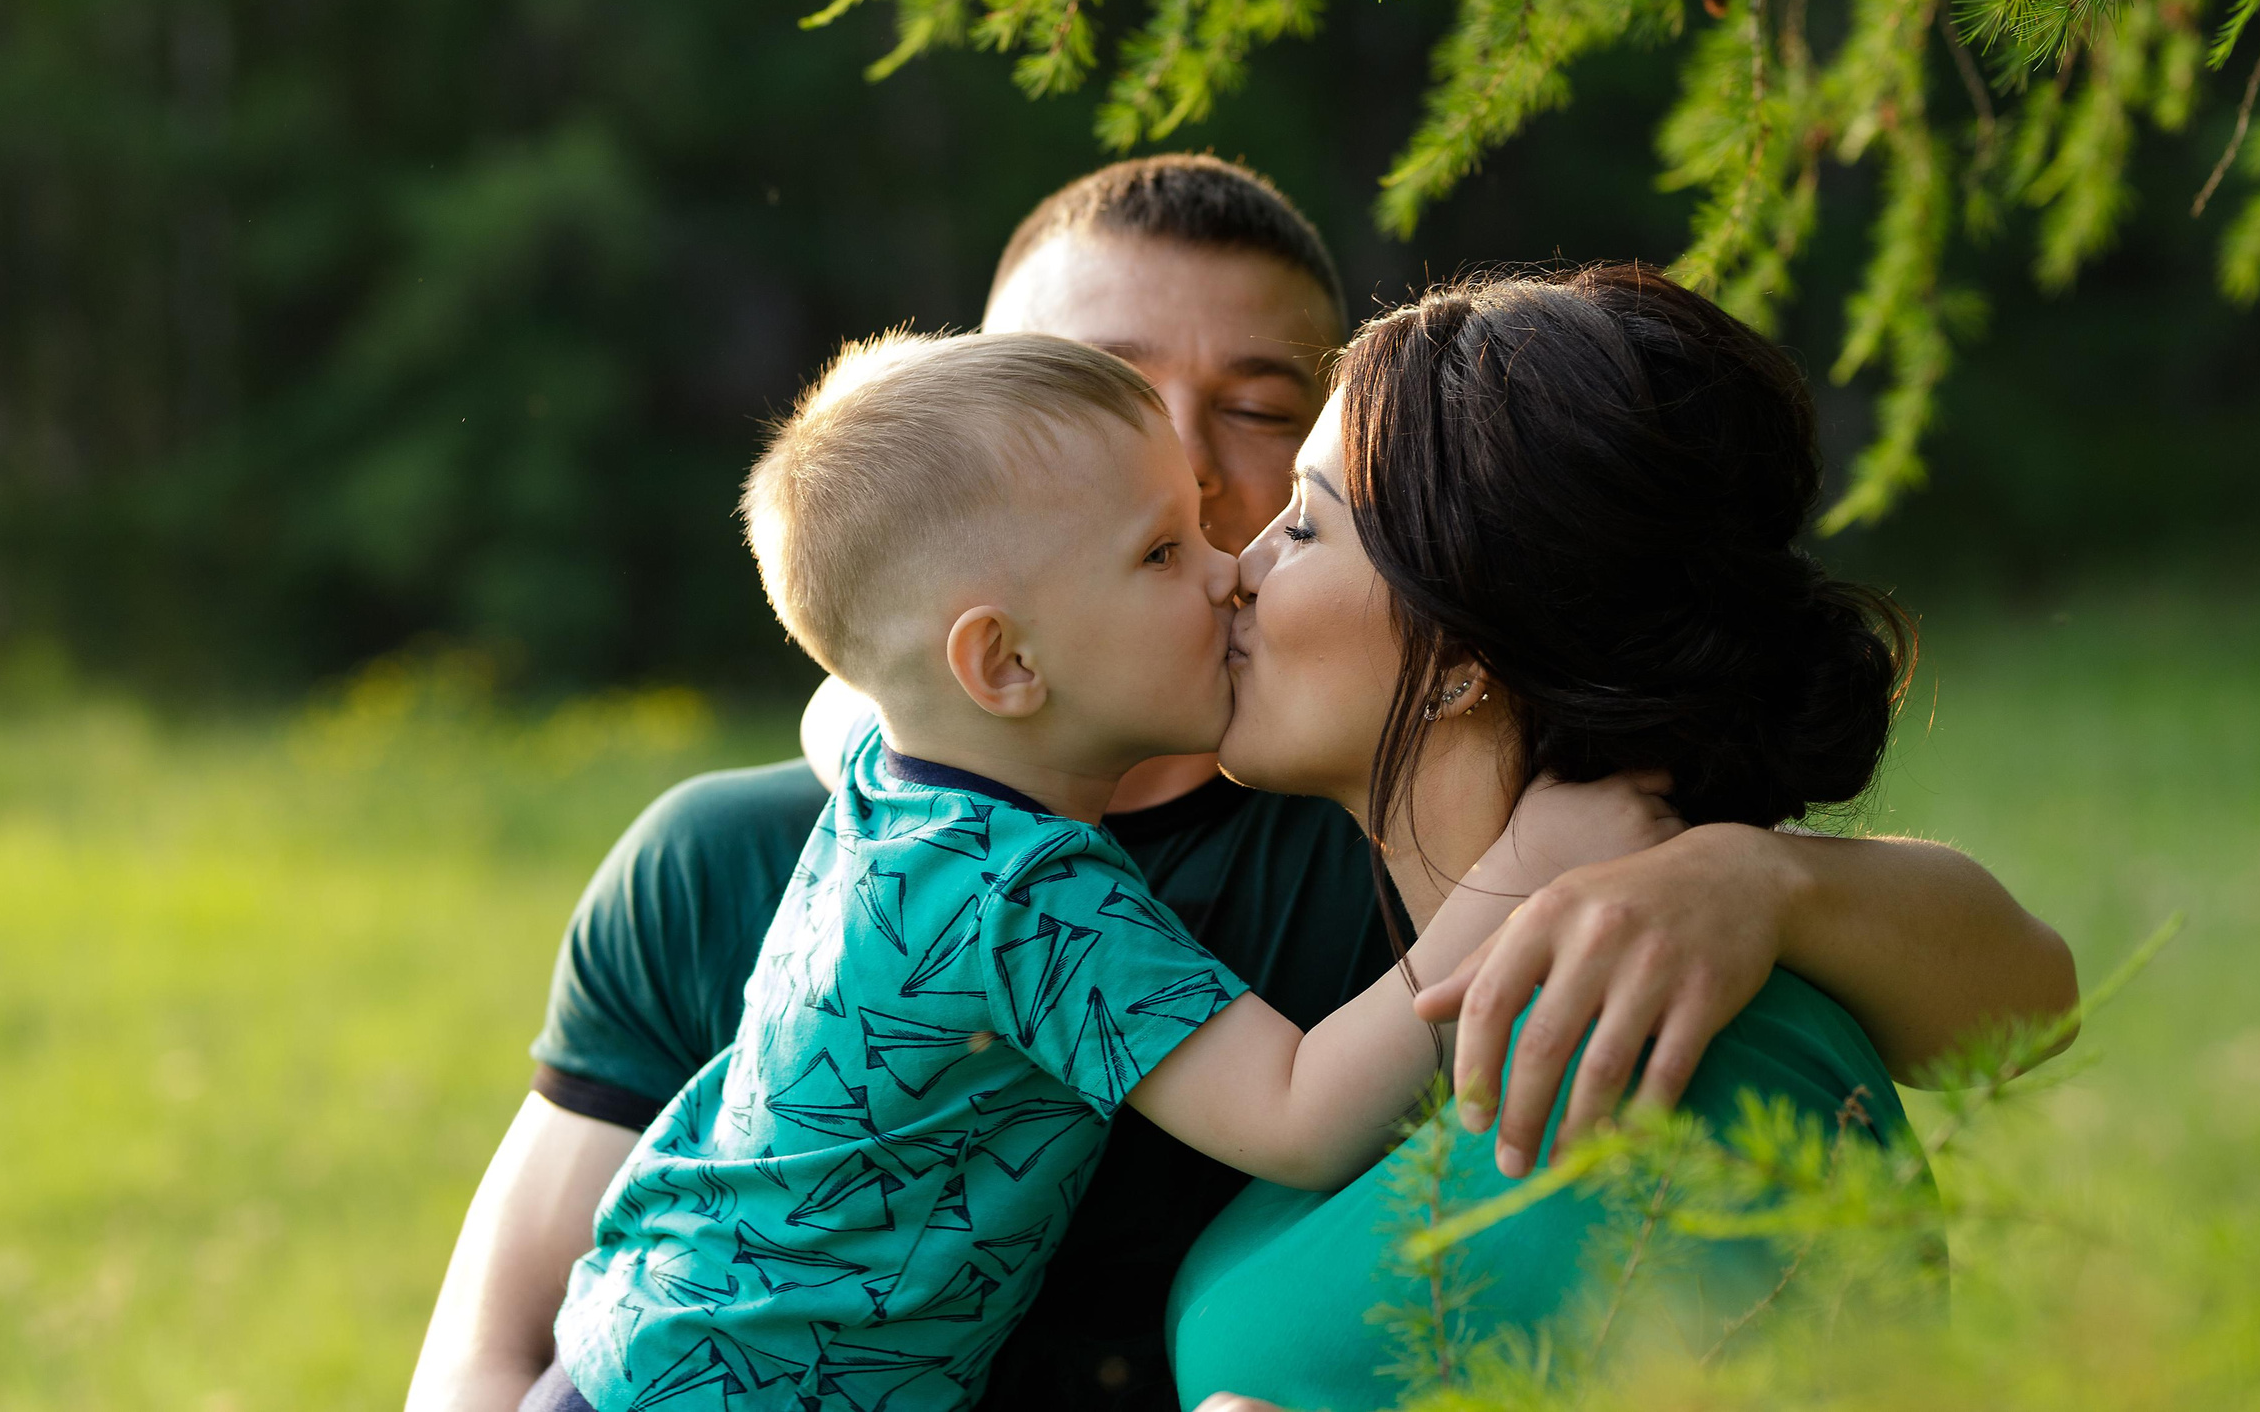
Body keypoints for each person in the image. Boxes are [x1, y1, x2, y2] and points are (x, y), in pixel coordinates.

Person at [406, 156, 2076, 1412]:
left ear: (1470, 622)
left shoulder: (1551, 956)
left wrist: (1751, 877)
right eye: (1101, 417)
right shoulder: (781, 848)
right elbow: (494, 1343)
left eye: (1283, 466)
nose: (1214, 501)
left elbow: (2015, 996)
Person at [534, 329, 1648, 1412]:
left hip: (641, 1344)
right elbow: (1298, 1112)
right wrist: (1530, 873)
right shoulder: (1030, 902)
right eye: (1163, 552)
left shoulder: (899, 776)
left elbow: (857, 697)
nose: (1229, 574)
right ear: (1005, 662)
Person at [1176, 265, 1943, 1410]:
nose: (1234, 571)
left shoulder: (1670, 1053)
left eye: (1302, 526)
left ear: (1460, 658)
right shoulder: (1404, 997)